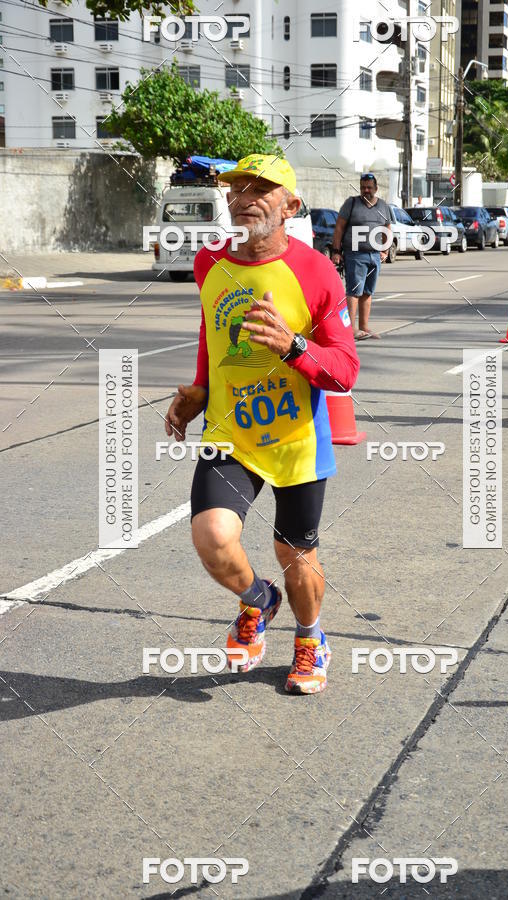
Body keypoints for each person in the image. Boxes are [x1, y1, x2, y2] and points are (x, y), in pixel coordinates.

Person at [164, 154, 360, 694]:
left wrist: (295, 346)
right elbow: (213, 330)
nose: (243, 196)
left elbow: (344, 372)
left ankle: (310, 638)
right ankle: (259, 600)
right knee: (213, 537)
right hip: (230, 430)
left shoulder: (317, 272)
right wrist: (200, 390)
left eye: (261, 188)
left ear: (291, 206)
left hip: (296, 436)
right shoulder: (210, 263)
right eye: (236, 188)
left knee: (294, 552)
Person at [331, 173, 392, 341]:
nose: (366, 190)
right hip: (355, 255)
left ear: (376, 188)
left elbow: (387, 229)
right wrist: (336, 252)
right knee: (354, 291)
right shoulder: (351, 204)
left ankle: (364, 327)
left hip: (375, 256)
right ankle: (350, 329)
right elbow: (339, 228)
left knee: (367, 292)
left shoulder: (383, 206)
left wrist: (385, 251)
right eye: (363, 187)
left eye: (369, 187)